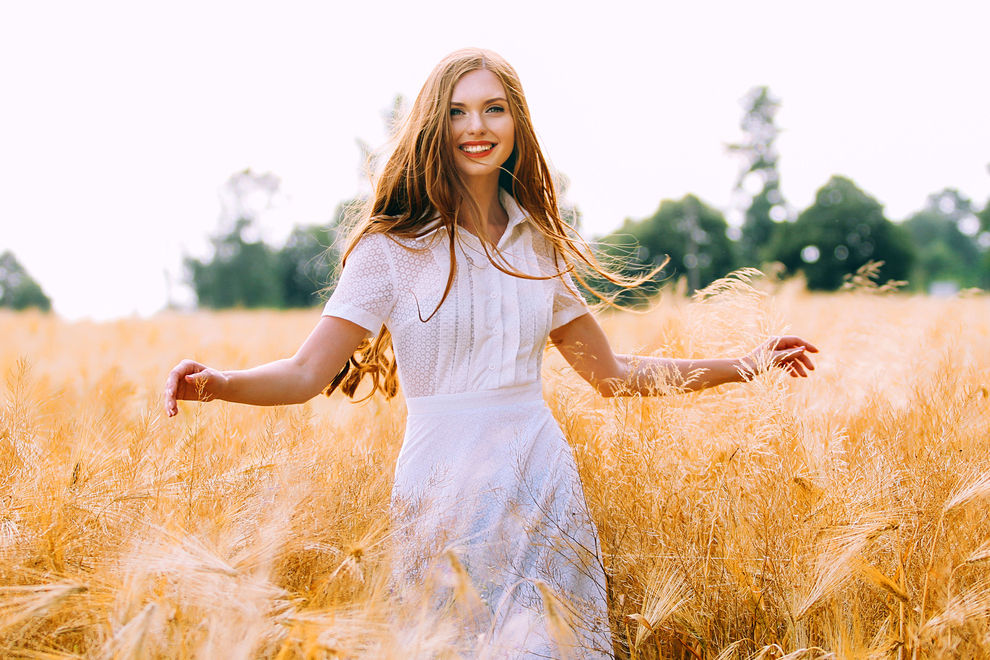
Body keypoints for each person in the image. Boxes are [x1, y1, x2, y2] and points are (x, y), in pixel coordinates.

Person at [164, 48, 817, 658]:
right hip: (442, 491)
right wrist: (218, 383)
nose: (476, 126)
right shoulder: (391, 249)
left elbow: (612, 376)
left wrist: (746, 363)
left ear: (516, 122)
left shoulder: (538, 245)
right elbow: (307, 372)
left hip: (541, 484)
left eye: (493, 108)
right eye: (457, 111)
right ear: (432, 126)